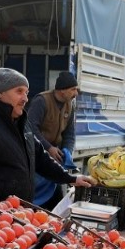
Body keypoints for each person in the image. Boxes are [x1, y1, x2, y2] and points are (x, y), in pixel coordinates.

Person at [0, 68, 94, 213]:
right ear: (1, 93)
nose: (25, 98)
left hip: (18, 217)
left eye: (26, 92)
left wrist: (71, 178)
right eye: (19, 91)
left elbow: (41, 159)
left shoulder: (21, 122)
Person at [26, 71, 80, 207]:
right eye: (73, 89)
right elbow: (30, 128)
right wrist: (48, 148)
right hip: (37, 157)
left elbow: (69, 133)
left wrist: (67, 150)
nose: (76, 93)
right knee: (34, 197)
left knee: (55, 199)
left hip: (55, 159)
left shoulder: (70, 105)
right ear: (62, 91)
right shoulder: (41, 101)